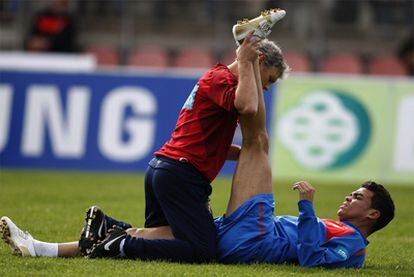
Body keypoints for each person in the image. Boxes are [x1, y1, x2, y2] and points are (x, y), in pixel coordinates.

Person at [1, 30, 289, 261]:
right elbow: (249, 106)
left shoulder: (216, 79)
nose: (266, 88)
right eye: (269, 80)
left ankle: (43, 247)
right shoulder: (222, 79)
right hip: (180, 176)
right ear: (260, 61)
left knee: (158, 236)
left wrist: (246, 157)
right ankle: (120, 242)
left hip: (166, 170)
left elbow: (210, 143)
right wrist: (246, 59)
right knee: (203, 250)